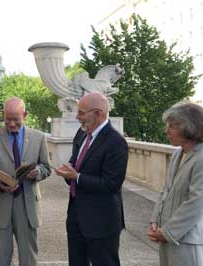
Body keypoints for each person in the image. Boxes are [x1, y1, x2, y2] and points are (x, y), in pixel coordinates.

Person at [54, 92, 128, 266]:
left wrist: (77, 177)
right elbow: (75, 164)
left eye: (81, 112)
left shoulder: (116, 142)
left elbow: (111, 184)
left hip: (102, 221)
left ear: (98, 113)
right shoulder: (81, 135)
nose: (77, 117)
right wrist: (68, 173)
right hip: (76, 217)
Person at [148, 102, 203, 266]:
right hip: (169, 237)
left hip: (190, 241)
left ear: (189, 127)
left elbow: (196, 203)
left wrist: (167, 232)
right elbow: (165, 191)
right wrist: (155, 222)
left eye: (172, 126)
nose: (167, 130)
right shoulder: (178, 154)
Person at [0, 97, 51, 266]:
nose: (12, 124)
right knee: (1, 258)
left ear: (25, 115)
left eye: (16, 120)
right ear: (2, 115)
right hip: (1, 204)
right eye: (8, 119)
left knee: (28, 258)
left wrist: (37, 172)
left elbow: (47, 168)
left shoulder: (39, 137)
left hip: (28, 206)